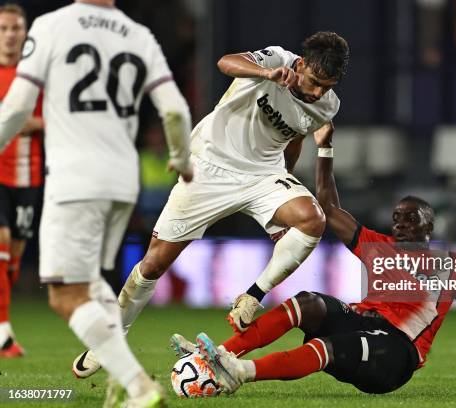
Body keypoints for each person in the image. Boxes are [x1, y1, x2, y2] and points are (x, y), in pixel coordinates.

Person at [180, 123, 456, 396]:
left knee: (334, 345)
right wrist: (325, 146)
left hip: (395, 356)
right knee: (308, 302)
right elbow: (329, 207)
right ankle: (221, 355)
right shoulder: (377, 246)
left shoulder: (450, 268)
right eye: (397, 217)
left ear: (429, 225)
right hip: (362, 324)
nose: (400, 223)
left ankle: (239, 375)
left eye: (410, 217)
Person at [73, 31, 350, 378]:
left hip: (263, 175)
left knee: (312, 219)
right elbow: (226, 63)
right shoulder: (276, 59)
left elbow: (293, 137)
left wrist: (285, 181)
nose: (318, 92)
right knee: (153, 264)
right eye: (315, 82)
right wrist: (266, 75)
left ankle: (252, 297)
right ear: (303, 63)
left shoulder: (327, 105)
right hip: (211, 167)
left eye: (327, 86)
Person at [0, 0, 193, 406]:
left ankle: (138, 386)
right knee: (90, 286)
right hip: (123, 181)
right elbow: (175, 109)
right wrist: (181, 158)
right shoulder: (139, 36)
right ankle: (123, 378)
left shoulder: (51, 25)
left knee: (64, 295)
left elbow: (17, 107)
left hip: (74, 177)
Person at [0, 3, 44, 359]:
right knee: (0, 246)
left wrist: (26, 123)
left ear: (25, 33)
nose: (10, 35)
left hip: (28, 175)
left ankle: (2, 322)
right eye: (3, 28)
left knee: (13, 260)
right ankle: (2, 336)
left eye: (15, 28)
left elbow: (53, 120)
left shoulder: (36, 76)